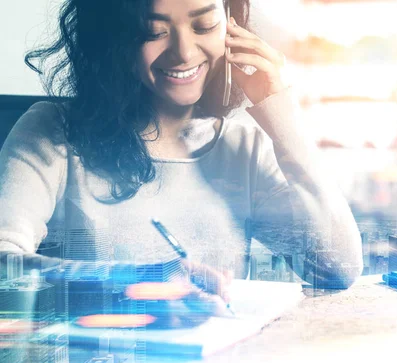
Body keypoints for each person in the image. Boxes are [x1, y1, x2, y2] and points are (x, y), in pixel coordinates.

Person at [0, 0, 362, 321]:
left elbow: (337, 269)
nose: (184, 53)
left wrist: (281, 112)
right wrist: (141, 282)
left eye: (204, 26)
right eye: (152, 32)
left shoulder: (244, 147)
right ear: (113, 38)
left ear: (231, 24)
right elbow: (5, 264)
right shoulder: (53, 131)